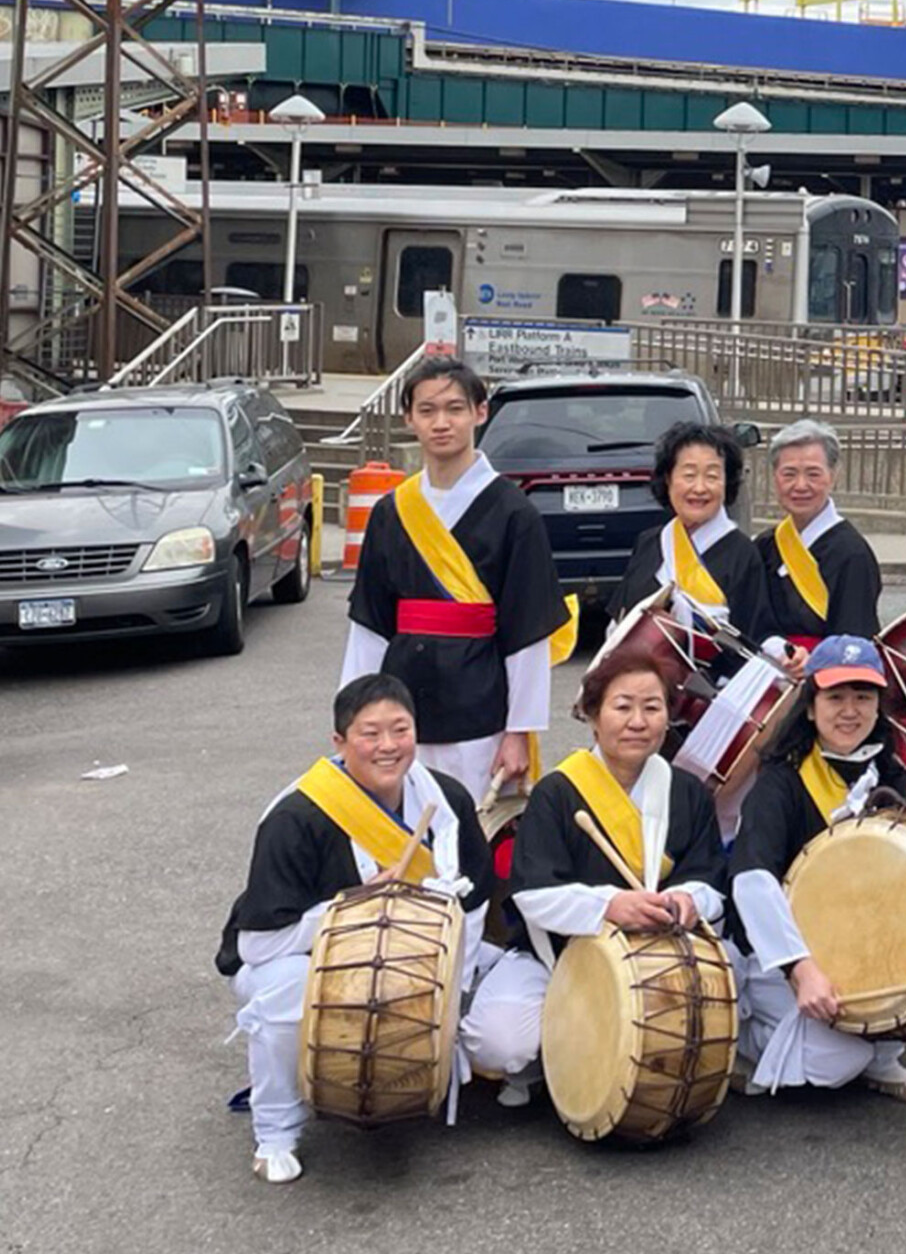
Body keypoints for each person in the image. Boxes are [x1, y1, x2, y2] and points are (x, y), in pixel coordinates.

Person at [216, 674, 492, 1184]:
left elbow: (473, 905)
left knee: (499, 1016)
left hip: (416, 953)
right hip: (298, 960)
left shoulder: (447, 800)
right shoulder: (298, 815)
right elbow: (257, 944)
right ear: (339, 743)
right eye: (370, 734)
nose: (387, 746)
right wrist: (355, 910)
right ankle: (275, 1131)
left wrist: (453, 986)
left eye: (400, 730)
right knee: (288, 995)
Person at [457, 648, 728, 1108]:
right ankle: (550, 1061)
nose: (638, 722)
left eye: (652, 707)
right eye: (623, 707)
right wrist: (608, 907)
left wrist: (689, 900)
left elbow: (710, 879)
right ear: (593, 716)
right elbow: (533, 894)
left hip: (659, 955)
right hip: (558, 957)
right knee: (498, 1043)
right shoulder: (557, 793)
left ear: (668, 717)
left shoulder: (686, 792)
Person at [342, 358, 571, 803]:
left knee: (471, 832)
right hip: (401, 704)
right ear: (409, 418)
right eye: (427, 411)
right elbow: (369, 623)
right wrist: (355, 717)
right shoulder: (391, 511)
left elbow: (527, 631)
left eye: (454, 409)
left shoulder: (513, 513)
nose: (441, 423)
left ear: (479, 413)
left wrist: (519, 731)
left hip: (479, 705)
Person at [724, 635, 906, 1103]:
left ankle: (882, 1058)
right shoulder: (780, 782)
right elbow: (751, 880)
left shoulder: (888, 772)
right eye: (835, 697)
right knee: (837, 1060)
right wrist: (800, 970)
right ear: (809, 706)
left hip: (858, 938)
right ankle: (742, 1043)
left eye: (863, 697)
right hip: (780, 955)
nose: (850, 710)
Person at [612, 421, 778, 673]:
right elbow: (620, 623)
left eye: (712, 476)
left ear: (726, 482)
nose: (699, 488)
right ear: (668, 478)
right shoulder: (649, 543)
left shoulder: (743, 554)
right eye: (689, 475)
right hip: (644, 694)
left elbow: (753, 644)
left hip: (711, 698)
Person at [761, 419, 882, 674]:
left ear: (833, 476)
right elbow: (751, 622)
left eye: (813, 474)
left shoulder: (852, 554)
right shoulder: (764, 546)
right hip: (768, 672)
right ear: (775, 478)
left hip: (826, 682)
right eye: (789, 474)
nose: (801, 485)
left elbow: (854, 642)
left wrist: (812, 663)